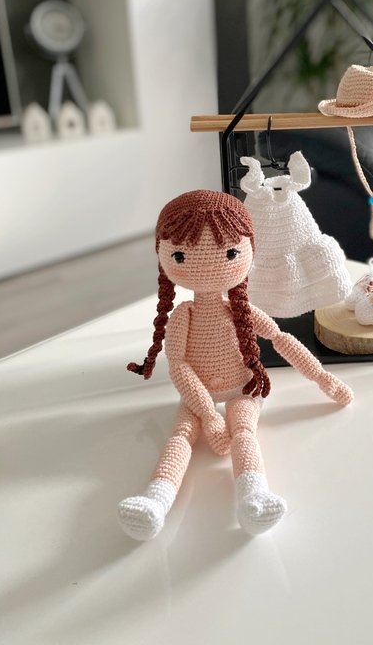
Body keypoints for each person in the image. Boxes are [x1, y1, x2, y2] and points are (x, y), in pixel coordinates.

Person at [118, 189, 353, 540]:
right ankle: (155, 500)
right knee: (181, 435)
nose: (206, 266)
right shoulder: (184, 316)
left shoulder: (241, 312)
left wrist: (322, 378)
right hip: (198, 395)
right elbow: (179, 366)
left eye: (230, 253)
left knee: (243, 432)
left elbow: (281, 340)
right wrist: (208, 414)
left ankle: (254, 496)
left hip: (243, 388)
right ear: (164, 257)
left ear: (248, 252)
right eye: (180, 255)